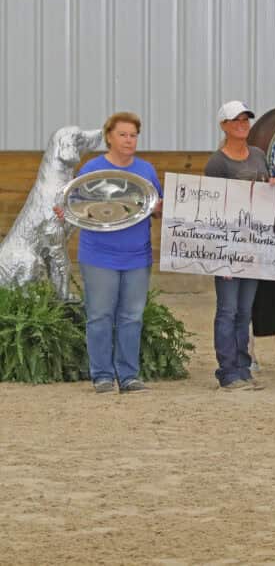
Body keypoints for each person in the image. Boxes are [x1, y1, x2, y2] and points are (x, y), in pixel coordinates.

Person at [65, 112, 162, 394]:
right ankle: (102, 376)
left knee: (132, 317)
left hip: (137, 256)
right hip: (98, 256)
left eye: (133, 135)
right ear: (109, 136)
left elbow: (155, 207)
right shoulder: (92, 170)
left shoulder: (146, 171)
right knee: (99, 316)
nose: (129, 140)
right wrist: (64, 210)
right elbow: (76, 206)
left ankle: (129, 375)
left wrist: (161, 208)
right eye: (123, 134)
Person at [204, 101, 275, 391]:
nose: (242, 124)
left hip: (253, 245)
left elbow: (267, 185)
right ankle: (228, 370)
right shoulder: (217, 163)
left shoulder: (258, 155)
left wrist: (273, 184)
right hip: (227, 246)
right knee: (228, 309)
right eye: (236, 120)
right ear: (224, 126)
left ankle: (243, 367)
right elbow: (210, 205)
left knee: (244, 310)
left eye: (245, 119)